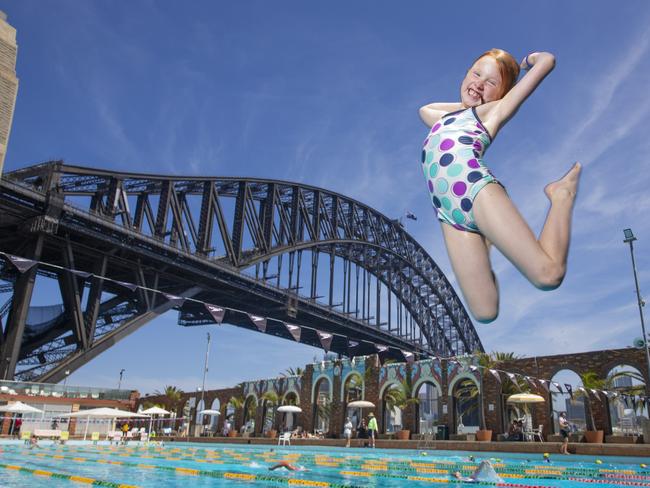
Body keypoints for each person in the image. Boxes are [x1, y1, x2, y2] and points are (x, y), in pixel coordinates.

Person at [419, 49, 581, 323]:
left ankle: (561, 195)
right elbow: (425, 109)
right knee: (485, 312)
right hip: (448, 215)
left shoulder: (492, 113)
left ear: (502, 94)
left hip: (476, 190)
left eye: (491, 82)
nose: (479, 83)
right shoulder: (443, 118)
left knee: (548, 275)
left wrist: (529, 62)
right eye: (476, 73)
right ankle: (487, 235)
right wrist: (473, 95)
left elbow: (548, 62)